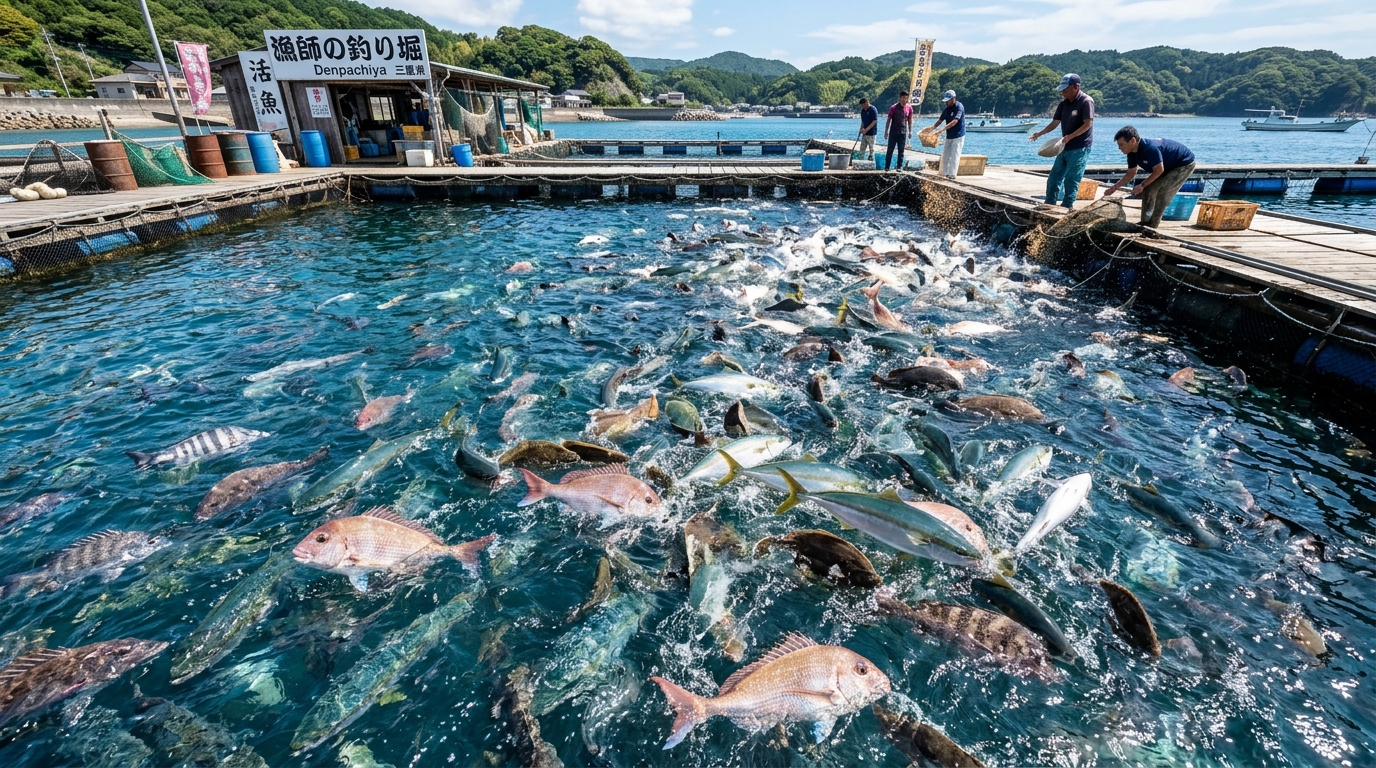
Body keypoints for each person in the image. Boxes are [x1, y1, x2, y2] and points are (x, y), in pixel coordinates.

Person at [1102, 126, 1197, 228]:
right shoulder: (1131, 153)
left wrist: (1141, 185)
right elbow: (1131, 173)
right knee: (1148, 189)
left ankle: (1153, 225)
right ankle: (1145, 222)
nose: (1119, 148)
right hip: (1166, 167)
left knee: (1163, 193)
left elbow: (1159, 170)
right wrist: (1114, 188)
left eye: (1121, 144)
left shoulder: (1150, 149)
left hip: (1183, 164)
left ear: (1133, 140)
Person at [1030, 73, 1095, 208]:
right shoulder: (1063, 104)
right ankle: (1049, 204)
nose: (1062, 93)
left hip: (1080, 147)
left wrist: (1071, 136)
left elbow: (1088, 123)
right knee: (1054, 178)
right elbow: (1055, 122)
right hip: (1064, 146)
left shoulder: (1086, 101)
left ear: (1076, 87)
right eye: (1061, 90)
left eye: (1065, 90)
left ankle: (1067, 206)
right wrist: (1040, 133)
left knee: (1072, 179)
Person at [931, 89, 966, 178]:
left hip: (958, 135)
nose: (946, 103)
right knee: (945, 154)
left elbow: (955, 121)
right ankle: (943, 172)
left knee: (955, 154)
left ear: (953, 99)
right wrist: (932, 129)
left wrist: (941, 130)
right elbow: (940, 120)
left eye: (948, 101)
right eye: (945, 101)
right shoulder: (947, 109)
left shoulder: (959, 107)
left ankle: (952, 174)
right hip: (949, 135)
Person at [882, 91, 913, 171]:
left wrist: (910, 131)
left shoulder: (909, 108)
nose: (904, 100)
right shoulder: (894, 107)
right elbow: (888, 120)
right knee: (890, 150)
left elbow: (910, 120)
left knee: (901, 150)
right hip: (893, 132)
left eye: (906, 98)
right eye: (903, 98)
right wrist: (886, 132)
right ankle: (887, 167)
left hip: (903, 132)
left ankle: (899, 167)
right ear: (900, 98)